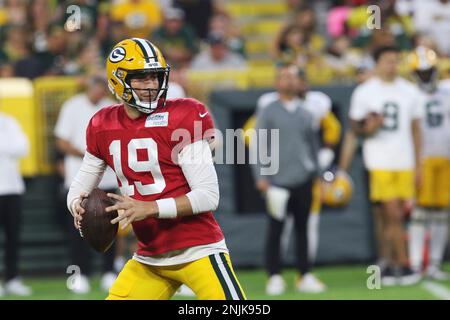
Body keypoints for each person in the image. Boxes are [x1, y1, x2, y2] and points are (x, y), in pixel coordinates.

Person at [67, 38, 246, 300]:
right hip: (150, 258)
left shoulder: (184, 114)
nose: (151, 85)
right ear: (118, 80)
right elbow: (80, 186)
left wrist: (149, 208)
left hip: (199, 250)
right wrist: (77, 206)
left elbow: (208, 196)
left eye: (155, 77)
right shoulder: (102, 123)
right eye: (141, 78)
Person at [338, 45, 423, 286]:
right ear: (376, 63)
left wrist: (419, 164)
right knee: (390, 214)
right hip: (379, 161)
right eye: (387, 60)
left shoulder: (409, 90)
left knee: (396, 216)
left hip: (404, 161)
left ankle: (388, 264)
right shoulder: (366, 92)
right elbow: (354, 128)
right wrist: (369, 127)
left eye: (396, 60)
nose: (392, 65)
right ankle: (402, 264)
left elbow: (416, 130)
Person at [252, 64, 325, 295]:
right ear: (276, 82)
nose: (289, 81)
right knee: (276, 229)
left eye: (293, 77)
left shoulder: (306, 112)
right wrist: (261, 175)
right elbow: (259, 144)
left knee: (303, 228)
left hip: (303, 178)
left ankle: (304, 274)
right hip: (277, 181)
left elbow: (313, 147)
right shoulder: (268, 110)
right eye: (284, 77)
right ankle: (274, 275)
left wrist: (318, 176)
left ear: (300, 82)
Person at [54, 75, 118, 294]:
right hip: (79, 178)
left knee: (111, 225)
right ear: (89, 87)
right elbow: (61, 141)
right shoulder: (72, 106)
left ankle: (109, 272)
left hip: (108, 178)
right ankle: (79, 274)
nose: (100, 92)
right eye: (97, 87)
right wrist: (91, 155)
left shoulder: (111, 107)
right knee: (79, 228)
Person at [408, 46, 450, 280]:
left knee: (441, 212)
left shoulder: (446, 90)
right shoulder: (410, 95)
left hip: (445, 157)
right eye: (421, 73)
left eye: (428, 72)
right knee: (420, 213)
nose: (425, 76)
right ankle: (416, 264)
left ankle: (433, 264)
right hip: (422, 159)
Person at [0, 112, 32, 296]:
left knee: (13, 238)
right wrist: (8, 149)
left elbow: (23, 147)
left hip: (12, 189)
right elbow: (14, 147)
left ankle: (12, 279)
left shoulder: (9, 121)